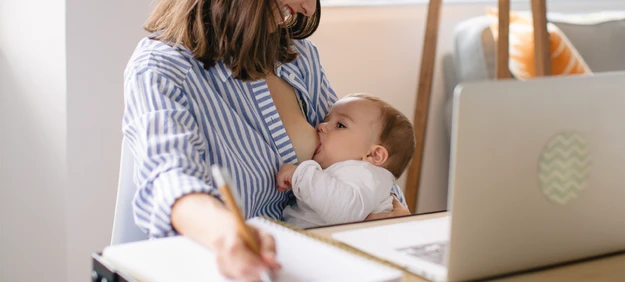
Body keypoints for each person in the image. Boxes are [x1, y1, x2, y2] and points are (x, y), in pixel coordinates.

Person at [122, 0, 411, 280]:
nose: (309, 9)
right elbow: (169, 179)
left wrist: (391, 212)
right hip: (234, 269)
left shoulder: (300, 57)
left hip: (323, 259)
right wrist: (227, 235)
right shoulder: (160, 69)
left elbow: (358, 149)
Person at [277, 93, 416, 228]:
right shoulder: (362, 175)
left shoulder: (365, 173)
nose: (321, 125)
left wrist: (300, 175)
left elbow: (345, 210)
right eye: (327, 119)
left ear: (374, 155)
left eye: (340, 125)